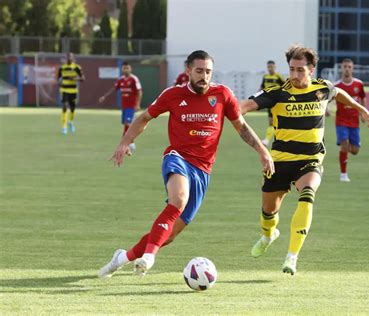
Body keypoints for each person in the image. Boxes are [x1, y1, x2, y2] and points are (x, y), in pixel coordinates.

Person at [98, 50, 274, 278]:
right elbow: (144, 118)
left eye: (208, 72)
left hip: (203, 170)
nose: (204, 76)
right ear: (188, 70)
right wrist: (124, 143)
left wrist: (262, 151)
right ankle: (150, 257)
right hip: (177, 157)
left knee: (169, 235)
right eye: (199, 71)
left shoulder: (222, 95)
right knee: (178, 200)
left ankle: (121, 258)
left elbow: (241, 126)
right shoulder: (173, 95)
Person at [239, 45, 369, 275]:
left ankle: (292, 257)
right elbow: (242, 107)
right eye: (292, 69)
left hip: (310, 160)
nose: (294, 75)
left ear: (312, 69)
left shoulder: (322, 88)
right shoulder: (277, 92)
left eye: (300, 70)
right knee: (268, 211)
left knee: (307, 195)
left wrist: (360, 108)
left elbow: (338, 93)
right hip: (279, 161)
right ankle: (269, 234)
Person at [334, 58, 366, 182]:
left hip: (354, 122)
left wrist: (363, 112)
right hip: (341, 121)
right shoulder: (336, 86)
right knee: (344, 144)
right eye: (345, 66)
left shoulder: (358, 84)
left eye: (349, 67)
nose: (347, 69)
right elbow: (328, 99)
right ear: (342, 68)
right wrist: (325, 110)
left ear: (352, 68)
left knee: (355, 150)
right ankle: (343, 174)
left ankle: (346, 151)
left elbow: (363, 97)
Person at [99, 62, 143, 152]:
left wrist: (138, 104)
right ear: (122, 69)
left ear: (130, 69)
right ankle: (130, 142)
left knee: (127, 123)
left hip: (131, 106)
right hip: (124, 106)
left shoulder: (134, 79)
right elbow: (114, 89)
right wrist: (104, 96)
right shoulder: (121, 80)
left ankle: (125, 143)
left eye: (127, 68)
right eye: (124, 68)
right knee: (126, 124)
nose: (126, 70)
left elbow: (139, 91)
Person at [260, 60, 286, 147]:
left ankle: (269, 140)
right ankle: (267, 140)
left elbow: (286, 87)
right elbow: (262, 88)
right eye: (269, 67)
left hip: (277, 102)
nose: (270, 68)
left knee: (277, 122)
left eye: (272, 67)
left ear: (275, 67)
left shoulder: (278, 77)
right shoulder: (265, 77)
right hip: (269, 102)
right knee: (271, 122)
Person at [57, 52, 84, 134]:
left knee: (72, 108)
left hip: (73, 90)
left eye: (71, 57)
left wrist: (75, 79)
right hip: (64, 90)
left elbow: (83, 78)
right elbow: (58, 78)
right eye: (68, 57)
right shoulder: (62, 68)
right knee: (64, 106)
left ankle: (71, 122)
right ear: (66, 58)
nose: (69, 58)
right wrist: (60, 82)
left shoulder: (77, 68)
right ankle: (64, 126)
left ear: (73, 58)